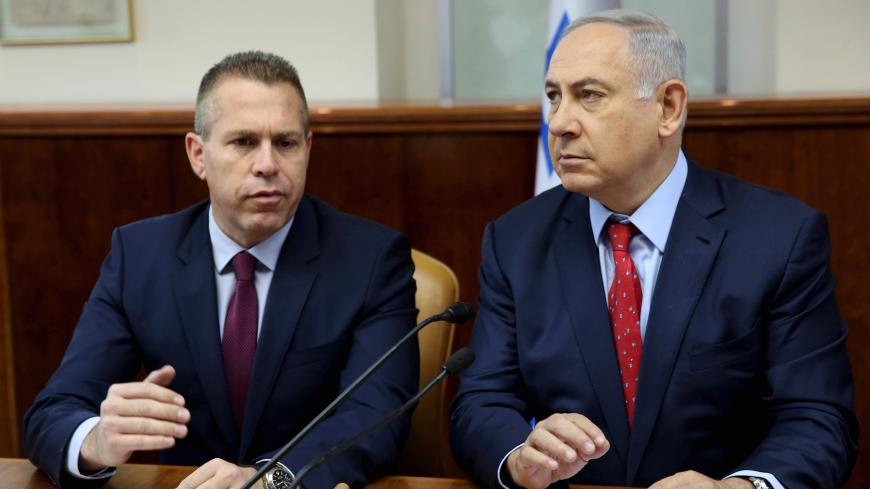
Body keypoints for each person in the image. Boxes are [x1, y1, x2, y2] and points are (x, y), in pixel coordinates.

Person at [449, 10, 857, 489]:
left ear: (668, 107)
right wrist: (519, 458)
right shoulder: (515, 240)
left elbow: (816, 416)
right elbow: (481, 401)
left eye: (590, 96)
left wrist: (741, 488)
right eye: (554, 97)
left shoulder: (779, 237)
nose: (558, 123)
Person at [23, 51, 420, 489]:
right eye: (244, 142)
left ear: (308, 150)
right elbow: (52, 414)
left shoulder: (371, 259)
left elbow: (377, 417)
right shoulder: (140, 256)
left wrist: (270, 479)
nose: (268, 164)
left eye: (285, 143)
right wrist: (97, 442)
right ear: (197, 154)